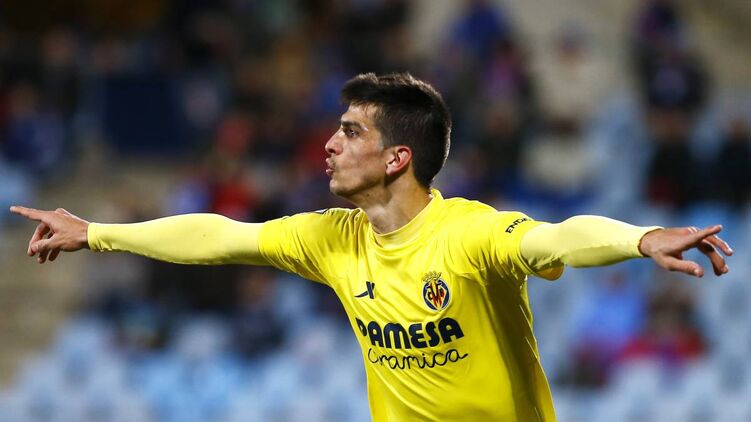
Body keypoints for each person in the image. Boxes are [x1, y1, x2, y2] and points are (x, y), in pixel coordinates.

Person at [9, 73, 732, 421]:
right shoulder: (331, 238)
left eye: (350, 132)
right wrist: (97, 233)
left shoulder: (468, 232)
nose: (328, 144)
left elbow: (560, 237)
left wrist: (638, 238)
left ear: (396, 158)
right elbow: (221, 237)